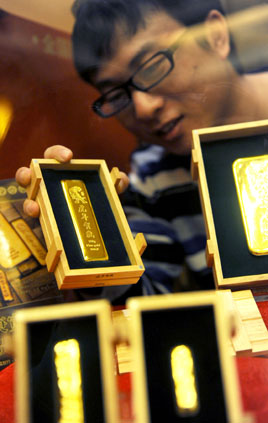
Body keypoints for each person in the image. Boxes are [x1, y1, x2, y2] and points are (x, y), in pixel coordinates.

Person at [16, 0, 268, 303]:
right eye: (115, 94)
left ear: (216, 35)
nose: (144, 107)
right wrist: (69, 233)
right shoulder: (154, 174)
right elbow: (142, 299)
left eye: (151, 68)